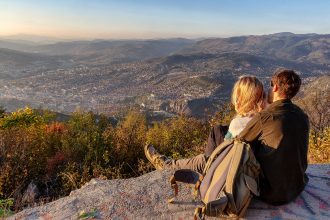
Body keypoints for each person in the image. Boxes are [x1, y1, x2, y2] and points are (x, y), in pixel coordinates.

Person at [145, 69, 309, 206]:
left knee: (209, 157)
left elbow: (235, 145)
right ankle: (197, 165)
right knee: (218, 130)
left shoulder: (265, 118)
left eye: (271, 85)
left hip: (270, 191)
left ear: (274, 89)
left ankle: (171, 165)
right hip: (297, 185)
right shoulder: (301, 115)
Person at [145, 75, 266, 173]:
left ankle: (167, 165)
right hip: (251, 161)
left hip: (231, 168)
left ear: (240, 99)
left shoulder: (238, 123)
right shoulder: (265, 117)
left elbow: (225, 148)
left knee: (204, 159)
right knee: (218, 129)